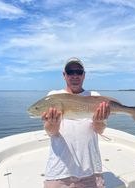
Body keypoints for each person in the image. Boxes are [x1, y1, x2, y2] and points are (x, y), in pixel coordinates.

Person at [42, 57, 110, 188]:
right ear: (64, 74)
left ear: (84, 75)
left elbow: (99, 130)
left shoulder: (94, 96)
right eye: (70, 71)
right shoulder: (53, 96)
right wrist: (52, 123)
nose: (74, 75)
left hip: (91, 172)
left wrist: (99, 120)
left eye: (78, 72)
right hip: (59, 172)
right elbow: (51, 132)